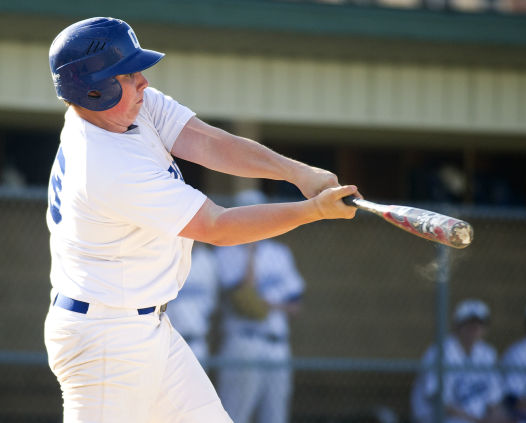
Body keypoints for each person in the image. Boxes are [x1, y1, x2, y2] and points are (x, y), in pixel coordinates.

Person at [43, 17, 359, 423]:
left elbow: (208, 141)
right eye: (127, 75)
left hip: (146, 328)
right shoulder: (104, 163)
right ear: (94, 89)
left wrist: (298, 173)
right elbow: (217, 227)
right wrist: (312, 212)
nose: (142, 82)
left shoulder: (128, 111)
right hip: (105, 340)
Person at [214, 188, 304, 423]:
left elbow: (296, 305)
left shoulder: (280, 253)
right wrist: (250, 251)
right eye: (247, 215)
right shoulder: (226, 252)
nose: (253, 221)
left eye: (256, 214)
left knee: (276, 416)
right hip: (245, 342)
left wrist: (269, 304)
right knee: (234, 415)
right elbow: (245, 300)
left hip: (278, 346)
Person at [411, 299, 507, 423]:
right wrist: (477, 420)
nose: (474, 328)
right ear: (457, 326)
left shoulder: (488, 353)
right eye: (469, 324)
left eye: (479, 324)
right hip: (439, 417)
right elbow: (440, 403)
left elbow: (493, 400)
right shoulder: (440, 352)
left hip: (474, 417)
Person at [164, 242, 218, 368]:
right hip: (168, 341)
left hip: (197, 342)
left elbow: (214, 306)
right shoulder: (170, 257)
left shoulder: (208, 260)